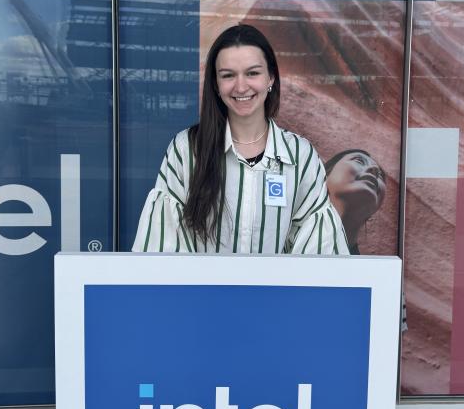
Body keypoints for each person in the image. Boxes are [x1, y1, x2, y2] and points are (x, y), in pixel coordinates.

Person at [132, 24, 349, 255]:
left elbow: (321, 252)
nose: (241, 86)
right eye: (228, 75)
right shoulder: (186, 150)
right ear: (216, 84)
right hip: (202, 291)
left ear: (271, 77)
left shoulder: (301, 156)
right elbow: (163, 250)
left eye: (252, 73)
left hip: (274, 292)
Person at [324, 149, 386, 255]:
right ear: (325, 176)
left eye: (380, 175)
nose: (374, 169)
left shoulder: (362, 270)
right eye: (358, 161)